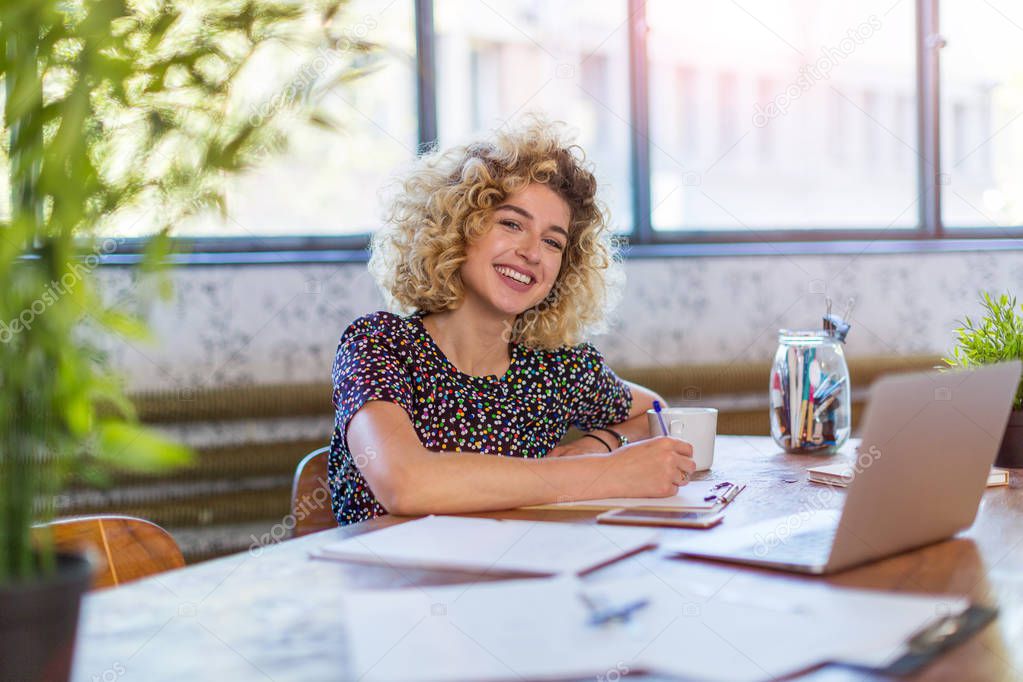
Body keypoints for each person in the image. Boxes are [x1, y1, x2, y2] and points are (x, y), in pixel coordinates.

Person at [328, 118, 695, 526]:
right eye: (511, 223)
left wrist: (600, 442)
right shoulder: (379, 345)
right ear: (458, 227)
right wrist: (609, 473)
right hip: (391, 586)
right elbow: (405, 483)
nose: (532, 252)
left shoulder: (556, 366)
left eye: (552, 241)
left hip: (518, 581)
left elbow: (657, 411)